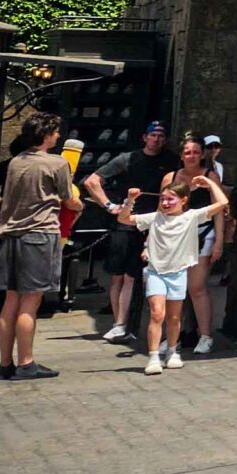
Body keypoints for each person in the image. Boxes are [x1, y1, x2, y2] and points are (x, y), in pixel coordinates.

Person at [116, 169, 229, 376]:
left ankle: (171, 351)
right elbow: (124, 219)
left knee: (174, 318)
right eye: (163, 199)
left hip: (178, 273)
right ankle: (153, 356)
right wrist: (130, 200)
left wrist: (210, 184)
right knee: (157, 313)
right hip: (156, 272)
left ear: (183, 201)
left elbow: (222, 203)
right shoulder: (155, 218)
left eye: (170, 199)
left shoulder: (192, 217)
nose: (166, 203)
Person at [0, 111, 71, 381]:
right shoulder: (57, 163)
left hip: (12, 234)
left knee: (11, 299)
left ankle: (5, 362)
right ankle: (26, 363)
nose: (58, 136)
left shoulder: (16, 162)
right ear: (46, 135)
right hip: (39, 234)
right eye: (55, 132)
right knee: (31, 300)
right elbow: (68, 198)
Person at [81, 120, 172, 341]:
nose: (156, 139)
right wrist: (109, 205)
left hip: (155, 222)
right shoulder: (127, 159)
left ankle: (137, 324)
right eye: (153, 135)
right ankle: (119, 323)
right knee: (119, 276)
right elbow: (92, 181)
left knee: (137, 277)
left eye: (160, 136)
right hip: (126, 222)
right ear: (145, 137)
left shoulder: (171, 160)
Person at [188, 132, 233, 354]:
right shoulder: (171, 177)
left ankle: (205, 335)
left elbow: (219, 210)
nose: (192, 156)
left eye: (196, 152)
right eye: (187, 152)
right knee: (176, 289)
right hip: (177, 236)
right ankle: (174, 336)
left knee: (197, 287)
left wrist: (219, 241)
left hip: (203, 233)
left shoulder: (211, 175)